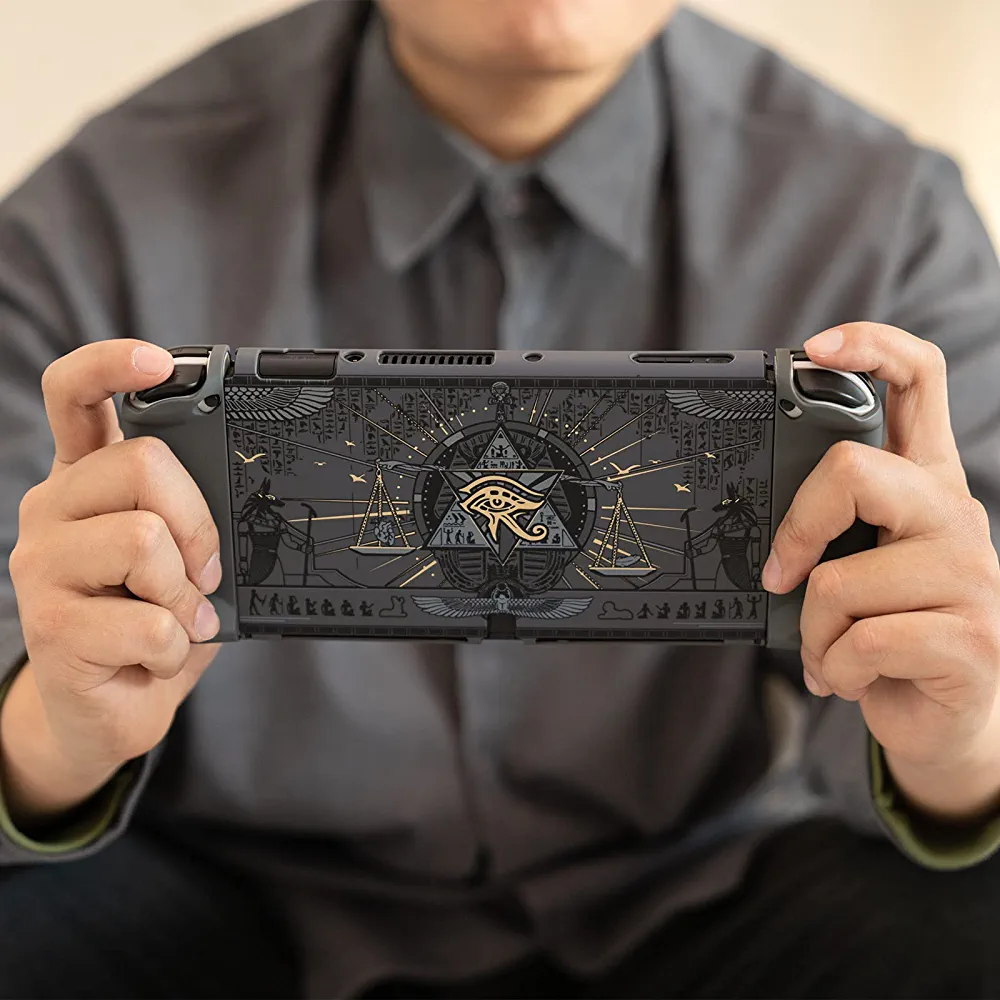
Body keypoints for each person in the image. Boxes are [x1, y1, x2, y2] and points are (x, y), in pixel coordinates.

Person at [1, 1, 1000, 997]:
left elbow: (957, 697)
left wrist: (957, 747)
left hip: (697, 890)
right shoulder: (91, 215)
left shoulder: (887, 216)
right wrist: (56, 736)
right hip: (229, 900)